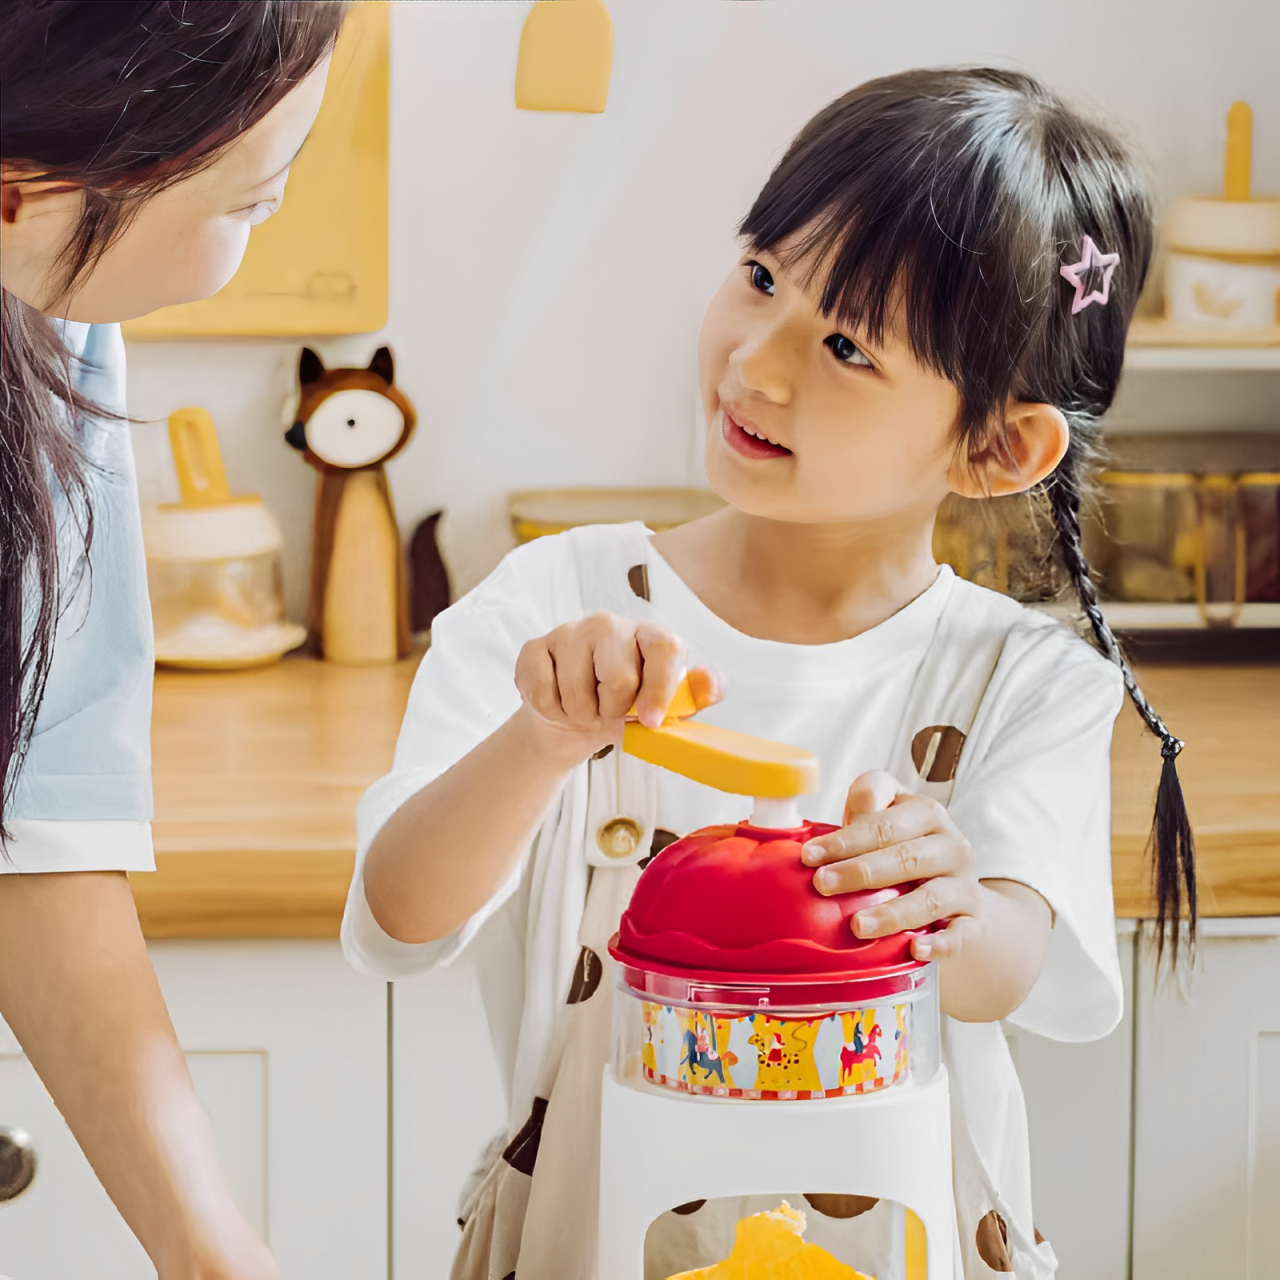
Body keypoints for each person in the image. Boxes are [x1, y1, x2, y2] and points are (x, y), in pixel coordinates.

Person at [342, 68, 1196, 1280]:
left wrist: (949, 899)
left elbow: (1007, 971)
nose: (757, 358)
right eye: (758, 277)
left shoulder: (1023, 678)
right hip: (588, 1239)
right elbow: (396, 918)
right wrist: (539, 742)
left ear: (995, 445)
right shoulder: (551, 606)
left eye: (845, 343)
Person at [0, 4, 345, 1276]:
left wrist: (211, 1248)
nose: (260, 230)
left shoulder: (51, 313)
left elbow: (35, 815)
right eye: (250, 202)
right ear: (17, 191)